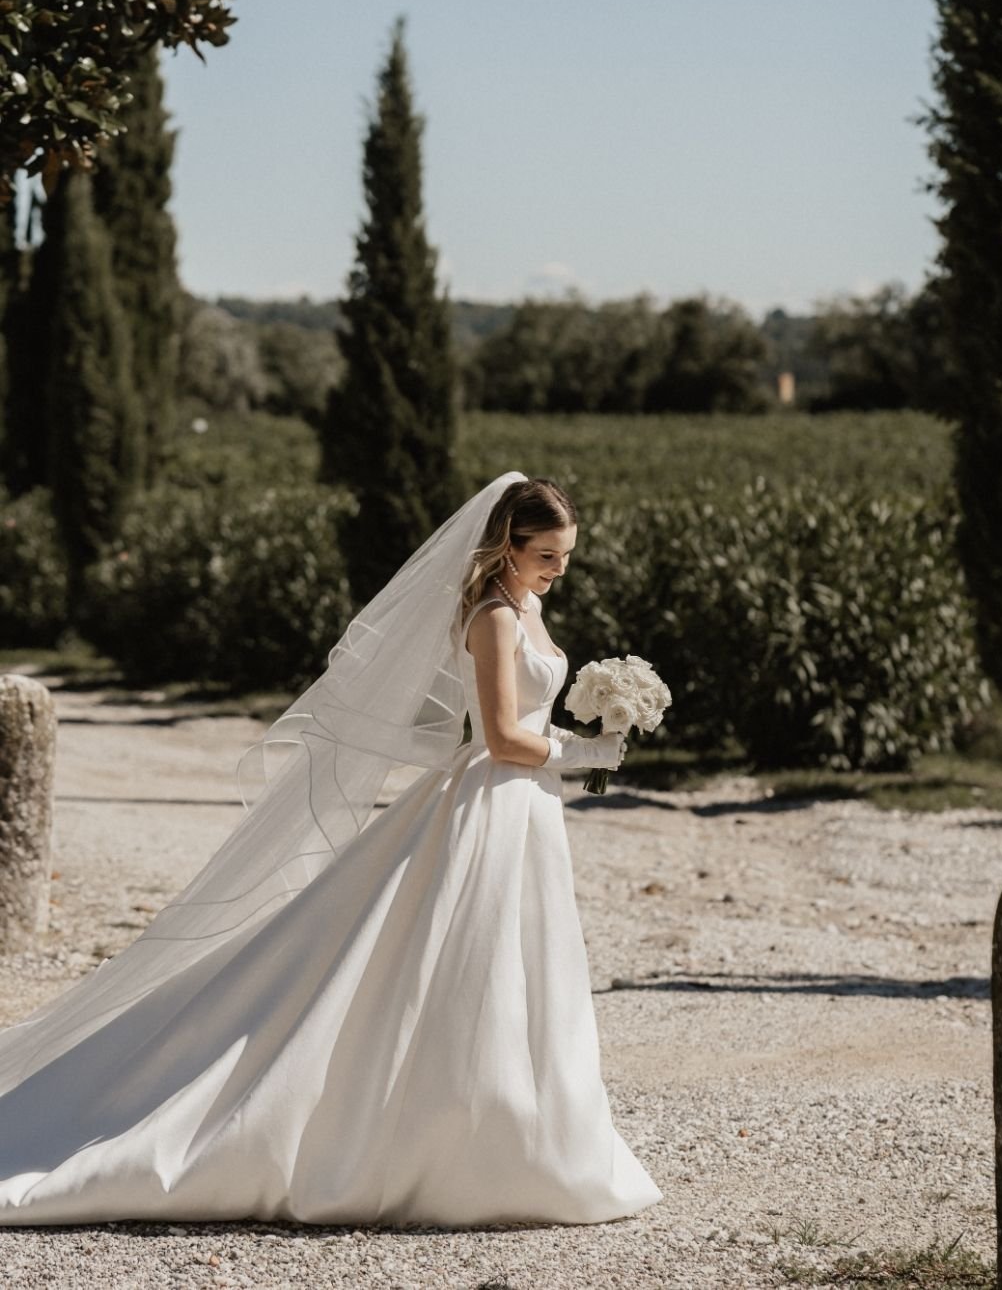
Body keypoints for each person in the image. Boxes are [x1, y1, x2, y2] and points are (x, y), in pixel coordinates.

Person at [0, 472, 662, 1228]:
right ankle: (457, 1148)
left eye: (566, 555)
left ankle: (532, 1136)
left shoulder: (530, 606)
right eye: (546, 554)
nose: (559, 568)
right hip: (490, 799)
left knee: (525, 970)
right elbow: (502, 737)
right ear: (506, 547)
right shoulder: (493, 618)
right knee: (456, 967)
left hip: (526, 811)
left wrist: (593, 732)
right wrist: (582, 753)